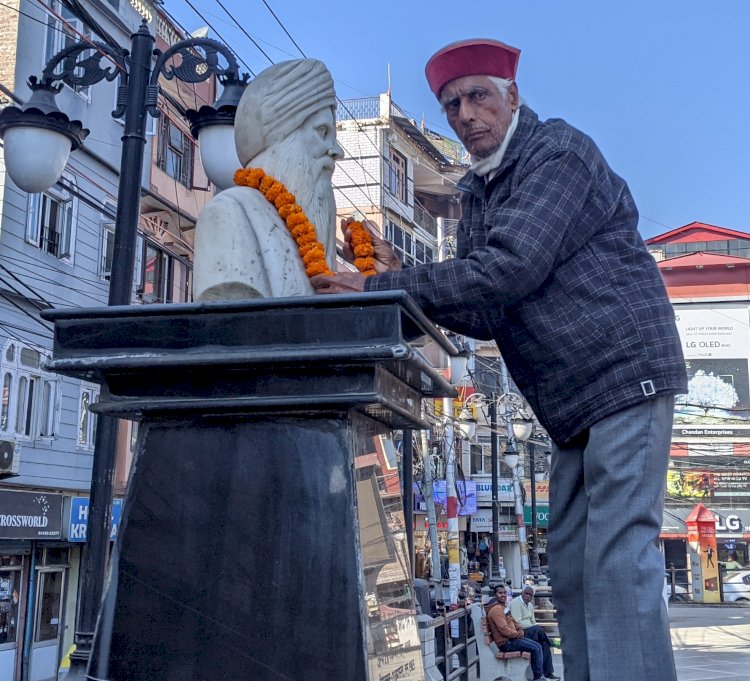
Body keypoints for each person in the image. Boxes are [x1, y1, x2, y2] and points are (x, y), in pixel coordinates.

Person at [312, 38, 686, 681]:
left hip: (626, 374)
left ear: (512, 96)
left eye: (477, 96)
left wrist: (380, 286)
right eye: (451, 104)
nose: (464, 114)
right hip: (570, 404)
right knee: (571, 568)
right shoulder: (478, 194)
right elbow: (482, 310)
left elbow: (507, 272)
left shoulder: (556, 154)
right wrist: (397, 270)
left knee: (617, 560)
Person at [193, 59, 343, 300]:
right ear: (283, 137)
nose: (336, 150)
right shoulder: (229, 212)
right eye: (322, 132)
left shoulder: (309, 241)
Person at [485, 585, 546, 681]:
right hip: (506, 643)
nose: (503, 595)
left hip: (512, 639)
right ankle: (538, 678)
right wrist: (517, 634)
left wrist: (520, 629)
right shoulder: (496, 610)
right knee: (534, 648)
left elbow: (512, 621)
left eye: (504, 593)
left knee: (538, 646)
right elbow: (503, 629)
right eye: (500, 593)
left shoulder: (503, 607)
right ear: (495, 595)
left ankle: (539, 676)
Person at [510, 586, 559, 680]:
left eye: (530, 595)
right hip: (521, 632)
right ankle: (552, 642)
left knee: (544, 644)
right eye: (526, 594)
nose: (528, 596)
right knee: (537, 629)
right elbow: (517, 622)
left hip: (531, 631)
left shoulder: (530, 606)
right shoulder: (516, 603)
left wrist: (533, 626)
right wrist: (532, 627)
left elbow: (533, 621)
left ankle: (548, 673)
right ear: (522, 593)